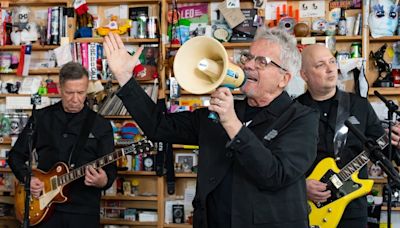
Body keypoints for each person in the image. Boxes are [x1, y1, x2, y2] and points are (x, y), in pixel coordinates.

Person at [104, 28, 319, 227]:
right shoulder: (222, 111)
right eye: (248, 57)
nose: (249, 65)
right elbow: (158, 127)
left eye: (262, 61)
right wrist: (125, 78)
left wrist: (232, 123)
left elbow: (276, 174)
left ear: (284, 79)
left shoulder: (301, 118)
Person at [297, 44, 400, 228]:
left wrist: (397, 141)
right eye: (320, 65)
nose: (330, 69)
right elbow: (278, 162)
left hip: (352, 212)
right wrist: (300, 186)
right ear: (304, 75)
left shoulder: (359, 106)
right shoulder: (293, 111)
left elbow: (386, 153)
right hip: (305, 210)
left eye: (332, 61)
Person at [8, 62, 117, 228]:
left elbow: (110, 171)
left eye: (81, 93)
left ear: (87, 88)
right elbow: (16, 156)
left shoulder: (100, 125)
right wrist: (28, 178)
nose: (75, 99)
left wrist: (103, 181)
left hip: (84, 211)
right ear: (60, 89)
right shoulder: (41, 117)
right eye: (69, 93)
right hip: (44, 209)